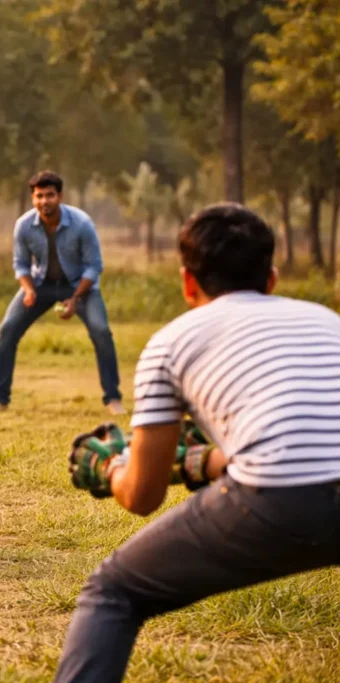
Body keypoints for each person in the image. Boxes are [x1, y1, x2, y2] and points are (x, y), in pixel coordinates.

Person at [55, 203, 340, 682]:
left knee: (113, 592)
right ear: (271, 278)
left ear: (188, 282)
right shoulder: (327, 320)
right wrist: (202, 462)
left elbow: (143, 497)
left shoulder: (171, 341)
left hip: (278, 500)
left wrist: (112, 469)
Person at [0, 171, 125, 416]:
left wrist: (76, 298)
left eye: (50, 195)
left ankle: (113, 398)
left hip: (79, 287)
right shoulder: (24, 225)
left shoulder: (82, 223)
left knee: (101, 331)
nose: (45, 201)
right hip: (39, 285)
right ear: (33, 199)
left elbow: (94, 265)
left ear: (60, 196)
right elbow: (21, 264)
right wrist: (28, 289)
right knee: (7, 330)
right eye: (39, 196)